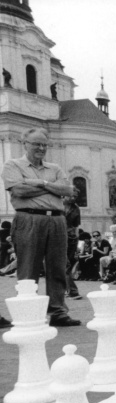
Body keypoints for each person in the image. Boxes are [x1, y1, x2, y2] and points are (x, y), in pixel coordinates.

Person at [1, 128, 79, 326]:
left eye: (44, 144)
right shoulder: (12, 164)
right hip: (29, 218)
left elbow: (68, 190)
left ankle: (58, 312)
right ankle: (29, 312)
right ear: (24, 143)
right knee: (28, 267)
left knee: (58, 268)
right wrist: (51, 188)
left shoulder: (54, 167)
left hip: (57, 220)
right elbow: (18, 190)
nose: (41, 148)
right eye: (36, 143)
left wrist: (39, 183)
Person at [63, 194, 82, 300]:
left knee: (67, 266)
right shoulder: (56, 205)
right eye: (70, 195)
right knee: (65, 265)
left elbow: (76, 226)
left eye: (75, 196)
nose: (73, 198)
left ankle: (65, 289)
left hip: (71, 239)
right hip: (58, 237)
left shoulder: (76, 208)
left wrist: (76, 240)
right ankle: (73, 291)